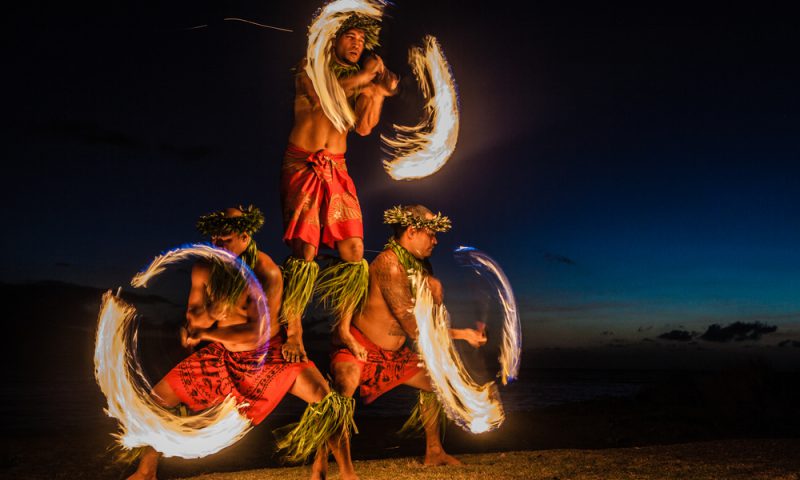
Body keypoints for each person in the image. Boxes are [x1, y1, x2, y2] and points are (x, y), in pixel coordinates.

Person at [127, 206, 355, 480]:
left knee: (327, 400)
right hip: (223, 357)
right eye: (214, 238)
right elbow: (193, 316)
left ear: (245, 236)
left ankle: (345, 473)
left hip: (269, 356)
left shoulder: (266, 271)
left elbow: (254, 334)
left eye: (226, 238)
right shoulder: (204, 268)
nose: (217, 244)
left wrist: (207, 332)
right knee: (157, 399)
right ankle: (146, 472)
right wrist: (207, 317)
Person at [313, 205, 487, 477]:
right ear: (411, 231)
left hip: (393, 355)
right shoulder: (390, 265)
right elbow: (415, 328)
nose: (435, 240)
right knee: (342, 391)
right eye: (431, 234)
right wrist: (463, 335)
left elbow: (428, 316)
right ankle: (341, 469)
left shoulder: (419, 265)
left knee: (433, 383)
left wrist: (435, 295)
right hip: (359, 347)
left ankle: (434, 452)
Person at [280, 13, 399, 364]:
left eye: (362, 40)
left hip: (339, 169)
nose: (357, 44)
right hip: (303, 165)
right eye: (351, 37)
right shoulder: (311, 67)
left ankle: (342, 328)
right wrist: (367, 76)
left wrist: (378, 92)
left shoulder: (358, 82)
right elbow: (324, 97)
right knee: (305, 251)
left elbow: (362, 127)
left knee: (354, 251)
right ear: (333, 39)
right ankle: (295, 330)